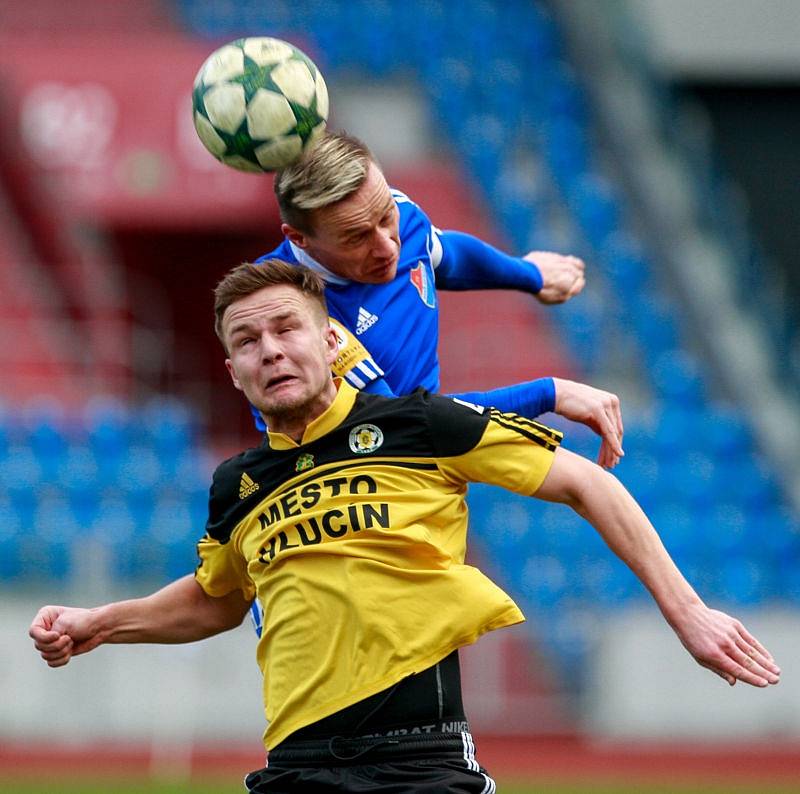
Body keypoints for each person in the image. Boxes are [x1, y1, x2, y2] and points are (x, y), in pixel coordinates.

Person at [30, 262, 779, 794]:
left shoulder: (419, 424)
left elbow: (586, 481)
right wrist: (102, 622)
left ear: (330, 344)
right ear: (233, 372)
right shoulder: (239, 485)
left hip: (420, 761)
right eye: (248, 342)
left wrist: (687, 610)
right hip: (297, 765)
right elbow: (217, 597)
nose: (271, 351)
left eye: (288, 328)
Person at [256, 131, 624, 470]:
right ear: (300, 238)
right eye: (356, 238)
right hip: (347, 491)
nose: (388, 246)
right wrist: (548, 394)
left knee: (591, 488)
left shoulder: (397, 217)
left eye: (387, 216)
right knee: (581, 482)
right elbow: (401, 426)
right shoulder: (290, 311)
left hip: (420, 455)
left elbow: (442, 253)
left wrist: (529, 274)